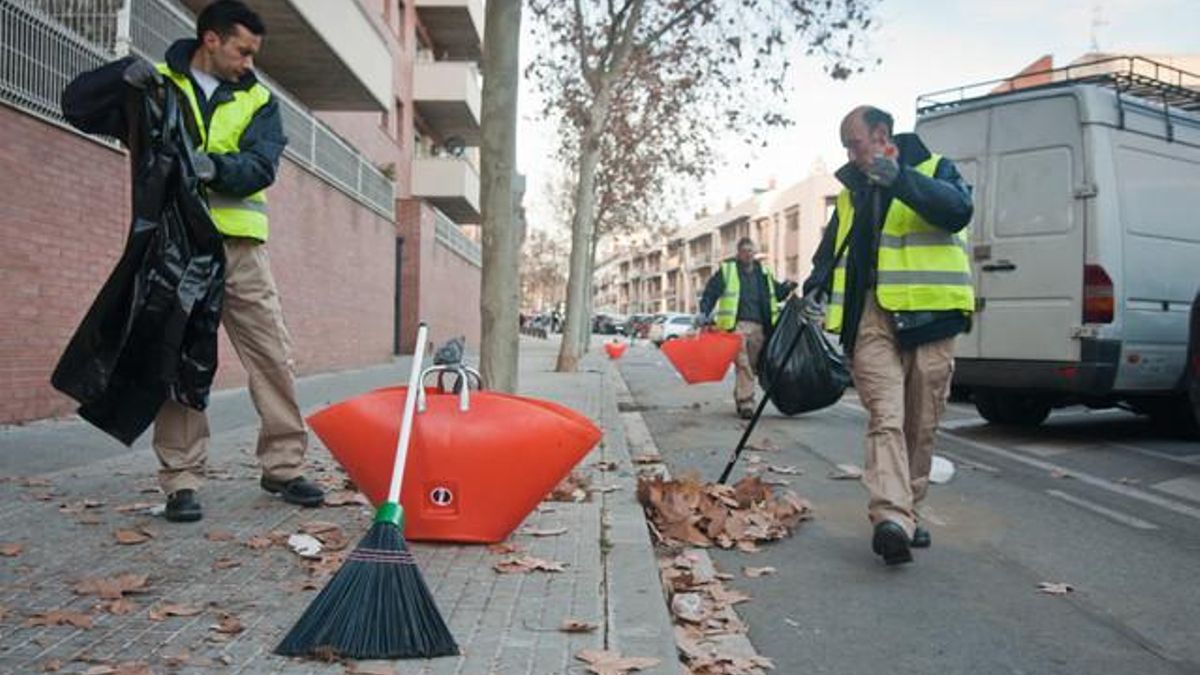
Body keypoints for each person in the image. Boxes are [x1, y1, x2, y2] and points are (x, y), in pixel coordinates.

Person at [63, 0, 324, 522]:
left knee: (272, 355)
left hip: (239, 249)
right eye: (242, 50)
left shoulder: (259, 101)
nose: (249, 62)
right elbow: (76, 106)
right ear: (212, 40)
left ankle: (284, 466)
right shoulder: (157, 85)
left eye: (253, 53)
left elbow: (260, 166)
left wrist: (212, 168)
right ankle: (181, 479)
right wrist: (119, 74)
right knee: (178, 362)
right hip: (175, 248)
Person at [801, 105, 974, 565]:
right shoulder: (852, 190)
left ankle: (909, 510)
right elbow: (830, 248)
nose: (849, 153)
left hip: (929, 318)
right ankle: (891, 518)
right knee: (886, 417)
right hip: (870, 317)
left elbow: (957, 211)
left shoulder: (937, 169)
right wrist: (816, 284)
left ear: (880, 135)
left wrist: (900, 179)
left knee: (921, 423)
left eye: (853, 143)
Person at [700, 237, 796, 418]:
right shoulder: (728, 270)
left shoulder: (764, 273)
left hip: (759, 327)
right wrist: (705, 311)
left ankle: (740, 395)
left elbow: (776, 294)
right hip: (736, 327)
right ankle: (747, 403)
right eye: (745, 251)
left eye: (751, 251)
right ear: (739, 253)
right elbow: (711, 292)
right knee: (743, 364)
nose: (748, 255)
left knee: (751, 366)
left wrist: (788, 287)